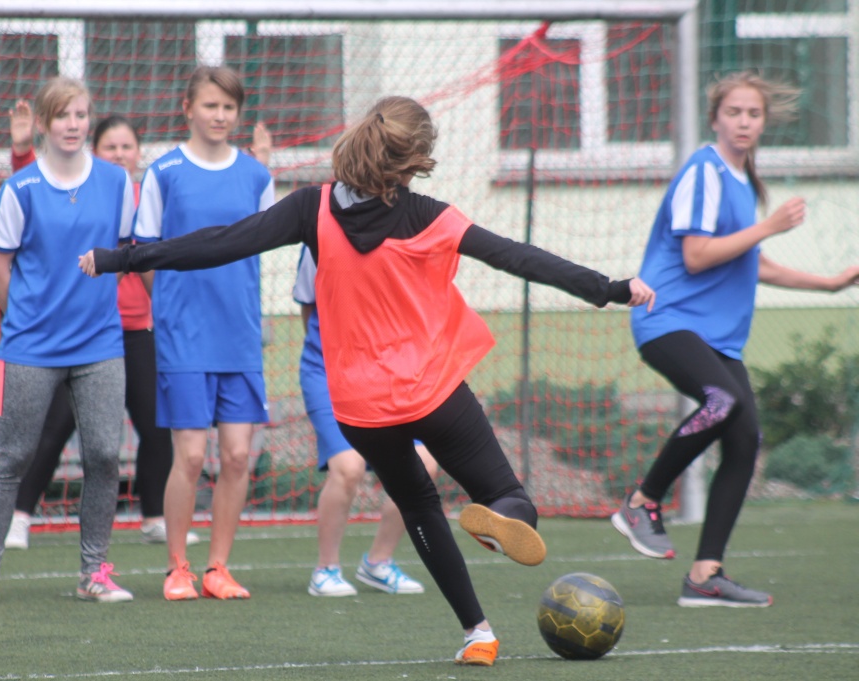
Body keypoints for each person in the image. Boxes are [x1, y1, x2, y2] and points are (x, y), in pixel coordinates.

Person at [79, 95, 654, 664]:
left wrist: (122, 259)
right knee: (509, 494)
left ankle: (478, 631)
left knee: (418, 503)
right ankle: (505, 516)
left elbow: (222, 242)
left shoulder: (314, 207)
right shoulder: (430, 215)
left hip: (358, 405)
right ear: (413, 160)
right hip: (430, 389)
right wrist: (608, 288)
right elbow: (520, 258)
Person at [612, 71, 859, 608]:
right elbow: (699, 254)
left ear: (763, 122)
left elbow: (751, 261)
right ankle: (643, 501)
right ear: (716, 118)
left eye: (754, 114)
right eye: (734, 112)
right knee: (721, 402)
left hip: (717, 337)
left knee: (744, 440)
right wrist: (770, 226)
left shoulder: (744, 179)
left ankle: (705, 576)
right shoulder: (704, 171)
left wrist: (829, 282)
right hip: (667, 319)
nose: (744, 122)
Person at [0, 76, 136, 606]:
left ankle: (94, 574)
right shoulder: (20, 189)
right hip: (30, 349)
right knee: (13, 455)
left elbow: (127, 252)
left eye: (81, 115)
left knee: (105, 455)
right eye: (62, 116)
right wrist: (30, 321)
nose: (73, 125)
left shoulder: (117, 182)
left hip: (101, 345)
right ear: (43, 123)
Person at [0, 103, 183, 548]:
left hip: (135, 330)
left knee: (157, 426)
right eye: (110, 146)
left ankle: (155, 516)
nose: (119, 154)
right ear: (93, 150)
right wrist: (23, 151)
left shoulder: (140, 197)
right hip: (79, 332)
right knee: (54, 428)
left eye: (127, 146)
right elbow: (43, 197)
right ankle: (19, 516)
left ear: (138, 153)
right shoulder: (85, 188)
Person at [133, 66, 275, 602]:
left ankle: (218, 569)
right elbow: (145, 252)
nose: (219, 116)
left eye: (229, 108)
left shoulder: (258, 176)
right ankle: (177, 568)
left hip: (238, 336)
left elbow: (265, 245)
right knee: (190, 457)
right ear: (187, 107)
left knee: (237, 456)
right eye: (210, 105)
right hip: (183, 338)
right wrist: (170, 309)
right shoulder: (164, 172)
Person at [294, 246, 434, 597]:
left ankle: (378, 563)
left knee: (426, 464)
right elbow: (307, 307)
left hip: (386, 373)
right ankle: (325, 570)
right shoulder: (319, 234)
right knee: (349, 467)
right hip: (328, 373)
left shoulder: (406, 232)